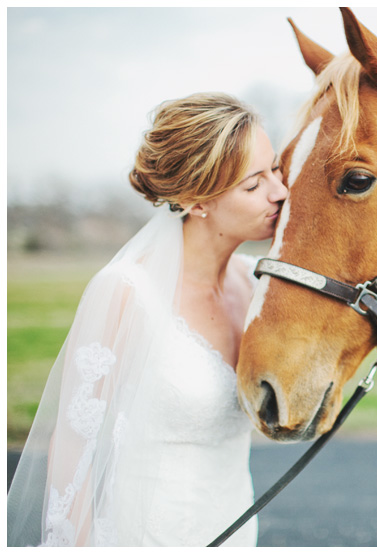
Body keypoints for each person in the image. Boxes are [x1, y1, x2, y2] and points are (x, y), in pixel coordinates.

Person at [7, 92, 288, 546]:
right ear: (197, 200)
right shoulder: (126, 291)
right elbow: (74, 442)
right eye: (254, 184)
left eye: (275, 169)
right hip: (145, 535)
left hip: (235, 531)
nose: (279, 191)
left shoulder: (256, 284)